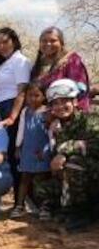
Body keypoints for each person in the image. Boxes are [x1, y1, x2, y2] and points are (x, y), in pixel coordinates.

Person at [36, 79, 99, 232]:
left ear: (75, 102)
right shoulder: (57, 127)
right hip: (70, 177)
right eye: (55, 103)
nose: (60, 107)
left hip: (93, 175)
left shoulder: (89, 120)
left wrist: (65, 150)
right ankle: (68, 208)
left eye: (65, 101)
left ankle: (81, 213)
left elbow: (95, 144)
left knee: (74, 164)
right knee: (41, 189)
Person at [0, 27, 31, 201]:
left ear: (14, 41)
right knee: (8, 154)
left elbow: (22, 91)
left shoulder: (20, 61)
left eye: (5, 42)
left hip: (13, 109)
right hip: (1, 109)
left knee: (16, 155)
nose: (2, 46)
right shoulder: (3, 64)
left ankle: (21, 201)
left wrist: (13, 116)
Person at [10, 82, 51, 219]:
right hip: (27, 149)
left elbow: (51, 133)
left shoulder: (47, 113)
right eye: (30, 95)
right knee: (25, 178)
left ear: (44, 96)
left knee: (42, 179)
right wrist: (17, 146)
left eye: (37, 95)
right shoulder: (25, 112)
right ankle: (19, 206)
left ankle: (44, 207)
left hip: (41, 150)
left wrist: (48, 150)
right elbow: (21, 130)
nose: (33, 99)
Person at [31, 26, 90, 112]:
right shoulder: (38, 65)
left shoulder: (72, 60)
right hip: (43, 115)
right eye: (44, 41)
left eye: (53, 41)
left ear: (61, 43)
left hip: (67, 114)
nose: (48, 44)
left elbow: (80, 89)